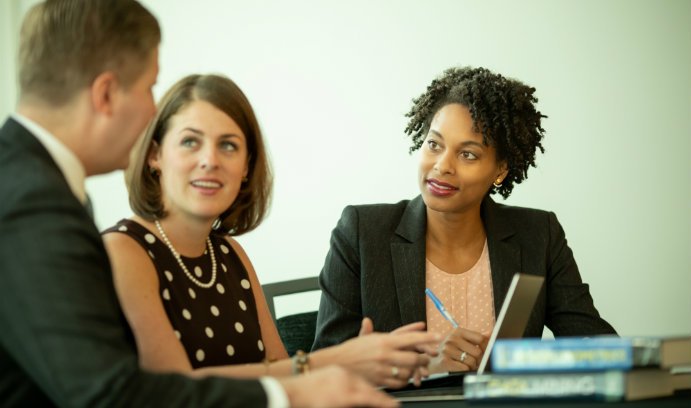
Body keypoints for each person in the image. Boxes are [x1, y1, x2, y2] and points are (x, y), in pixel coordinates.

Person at [0, 1, 400, 407]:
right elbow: (114, 392)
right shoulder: (33, 201)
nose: (150, 110)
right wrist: (308, 381)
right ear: (106, 93)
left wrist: (331, 372)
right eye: (149, 87)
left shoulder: (36, 186)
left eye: (228, 145)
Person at [102, 73, 440, 390]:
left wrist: (366, 362)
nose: (210, 160)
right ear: (154, 155)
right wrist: (335, 361)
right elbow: (178, 391)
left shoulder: (228, 253)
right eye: (190, 141)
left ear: (247, 166)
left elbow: (285, 379)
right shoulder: (124, 251)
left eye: (229, 145)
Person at [311, 66, 617, 373]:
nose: (442, 165)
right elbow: (323, 367)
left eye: (467, 154)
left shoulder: (538, 235)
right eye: (434, 144)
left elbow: (597, 347)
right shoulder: (362, 233)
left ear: (500, 170)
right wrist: (426, 365)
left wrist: (516, 361)